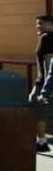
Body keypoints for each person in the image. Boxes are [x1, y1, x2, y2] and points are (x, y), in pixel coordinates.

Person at [29, 13, 53, 152]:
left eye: (40, 23)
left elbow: (49, 62)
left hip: (45, 82)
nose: (37, 26)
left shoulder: (46, 38)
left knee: (38, 110)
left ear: (49, 23)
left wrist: (45, 86)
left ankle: (42, 142)